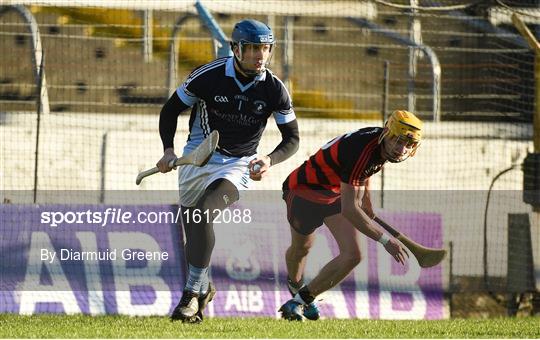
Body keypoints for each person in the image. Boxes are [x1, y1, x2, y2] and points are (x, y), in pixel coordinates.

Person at [156, 19, 299, 323]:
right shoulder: (209, 76)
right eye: (251, 49)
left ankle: (190, 295)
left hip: (238, 165)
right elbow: (170, 110)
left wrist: (269, 160)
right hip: (196, 159)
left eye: (265, 48)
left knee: (205, 213)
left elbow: (292, 139)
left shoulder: (275, 89)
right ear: (236, 48)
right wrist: (168, 150)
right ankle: (204, 288)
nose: (259, 55)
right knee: (193, 231)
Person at [279, 110, 422, 321]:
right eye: (398, 141)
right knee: (302, 248)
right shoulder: (363, 149)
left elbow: (366, 170)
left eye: (408, 145)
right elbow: (349, 208)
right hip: (304, 191)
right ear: (387, 132)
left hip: (333, 193)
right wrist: (385, 240)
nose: (402, 149)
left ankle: (300, 300)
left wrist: (366, 200)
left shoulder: (380, 145)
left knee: (354, 254)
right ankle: (295, 285)